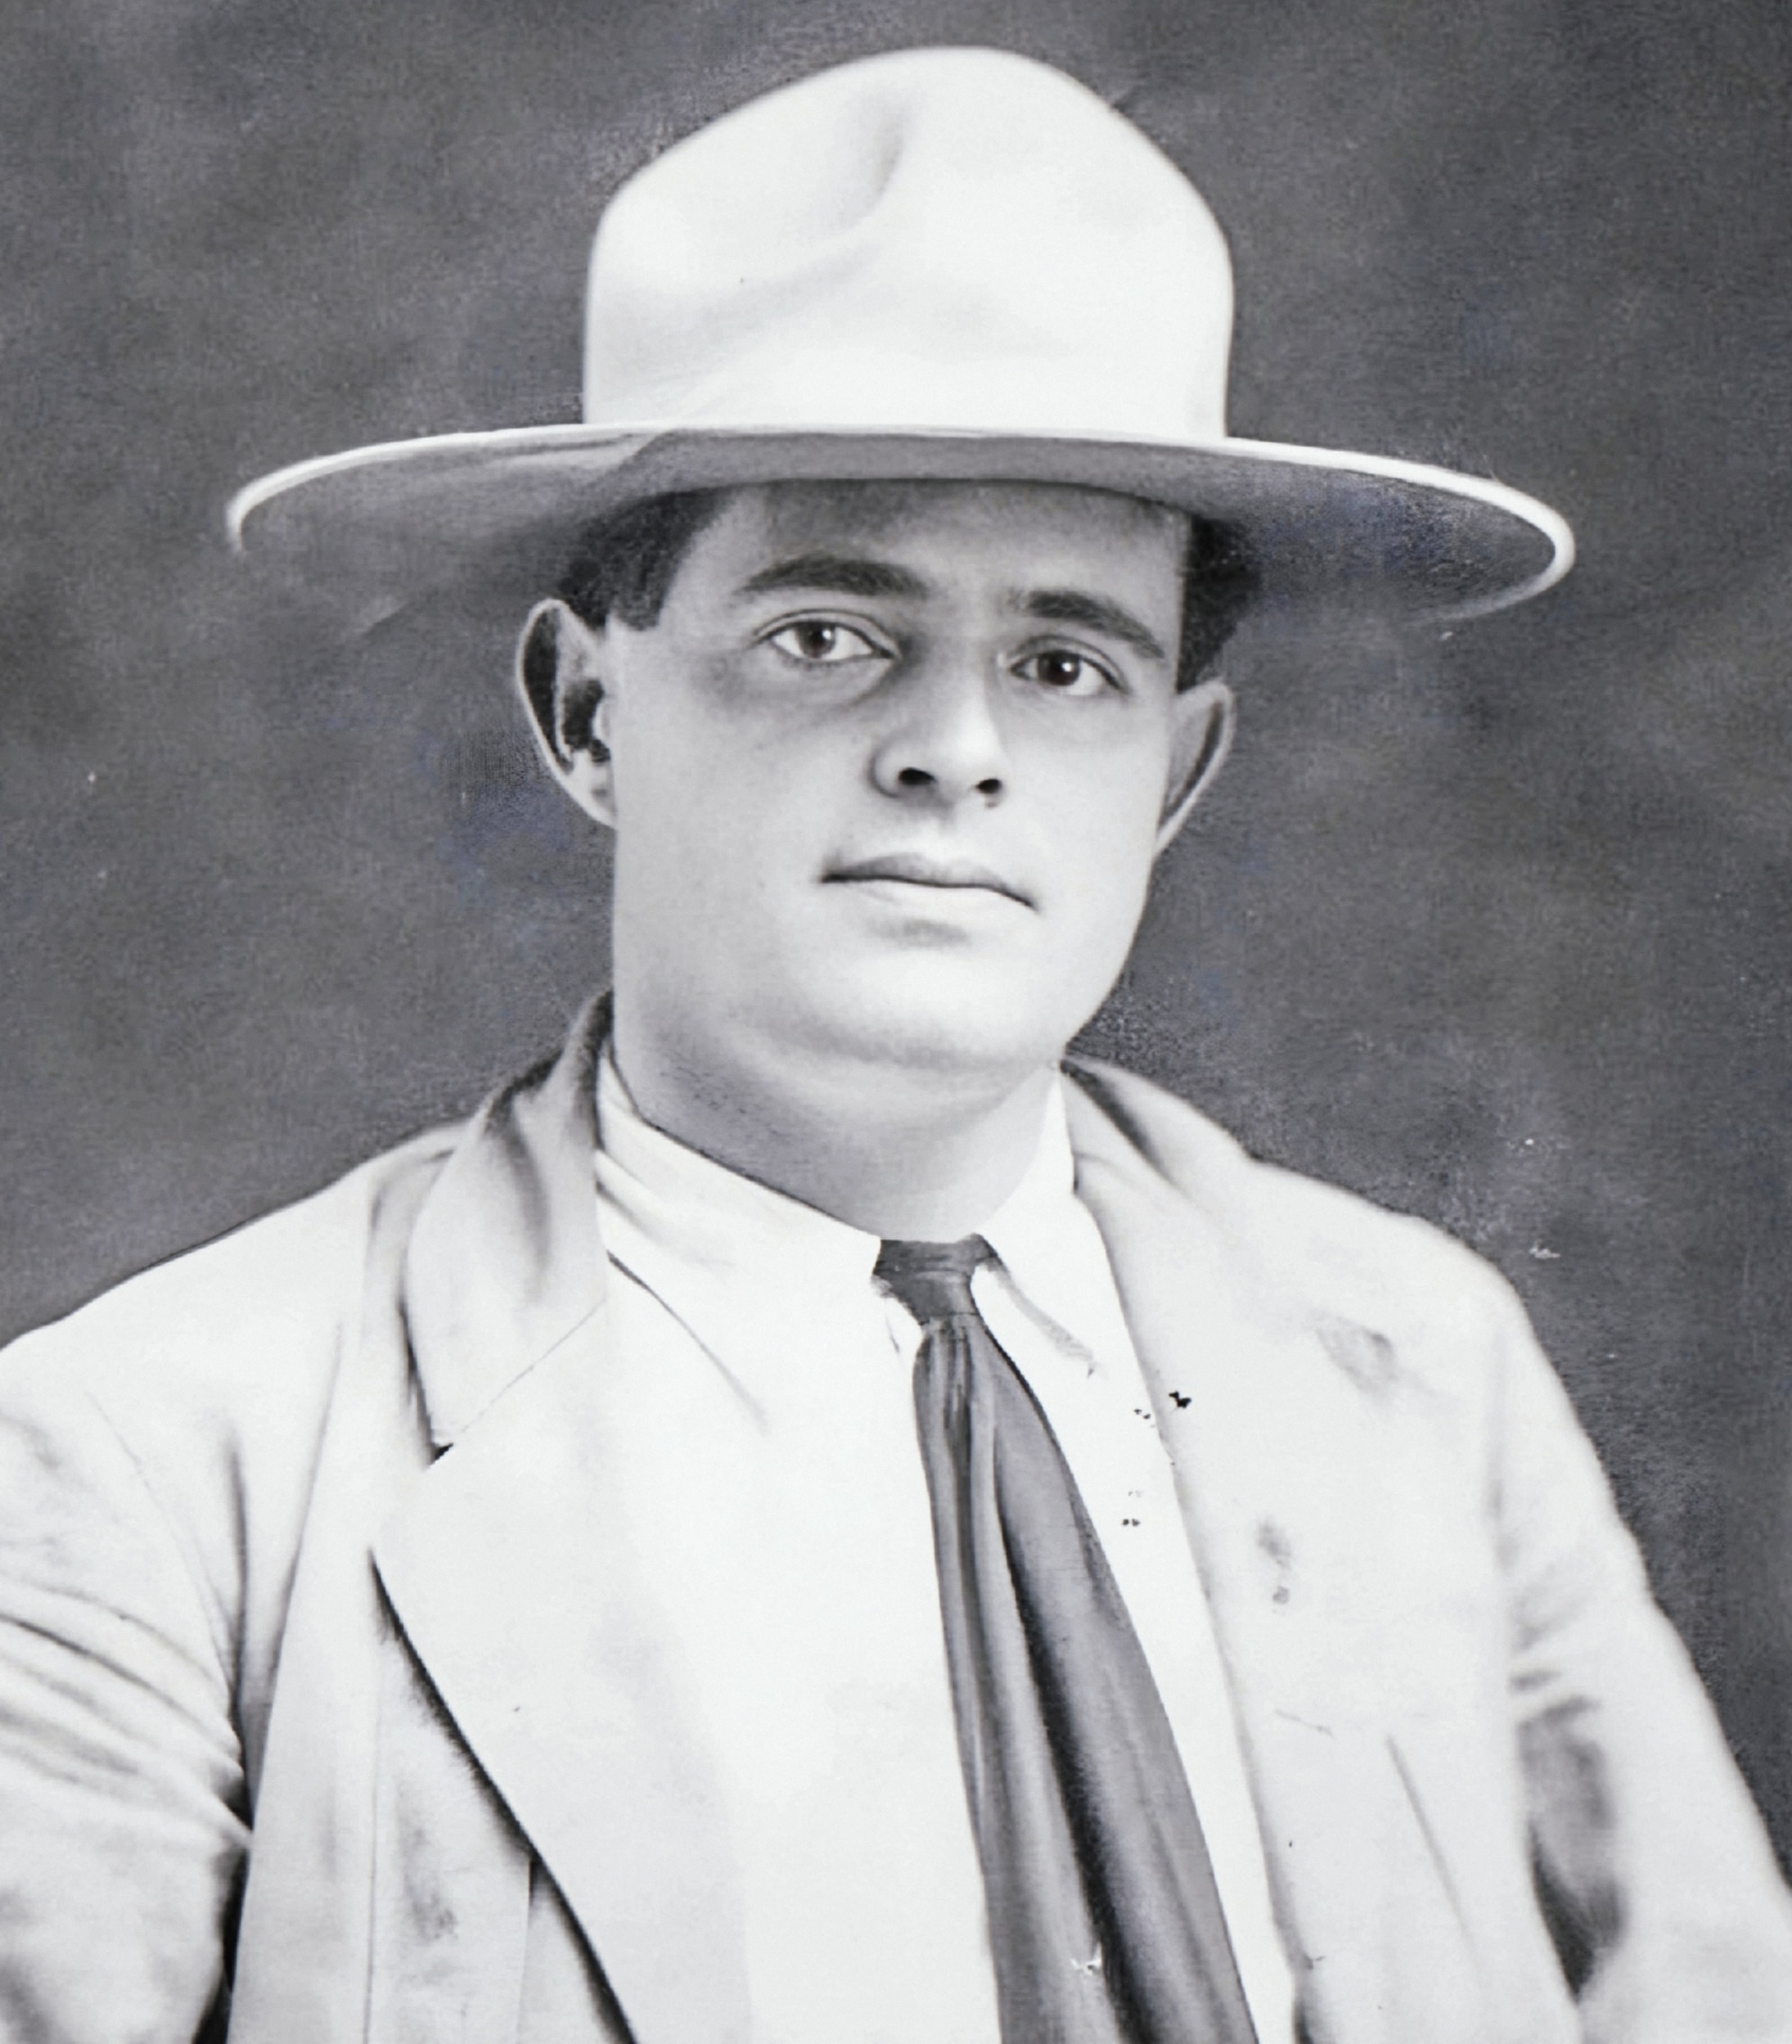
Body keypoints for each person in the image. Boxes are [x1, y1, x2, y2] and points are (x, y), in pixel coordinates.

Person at [2, 43, 1788, 2044]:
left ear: (1176, 774)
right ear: (586, 713)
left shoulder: (1421, 1371)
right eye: (825, 636)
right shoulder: (157, 1461)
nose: (955, 748)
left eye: (1066, 662)